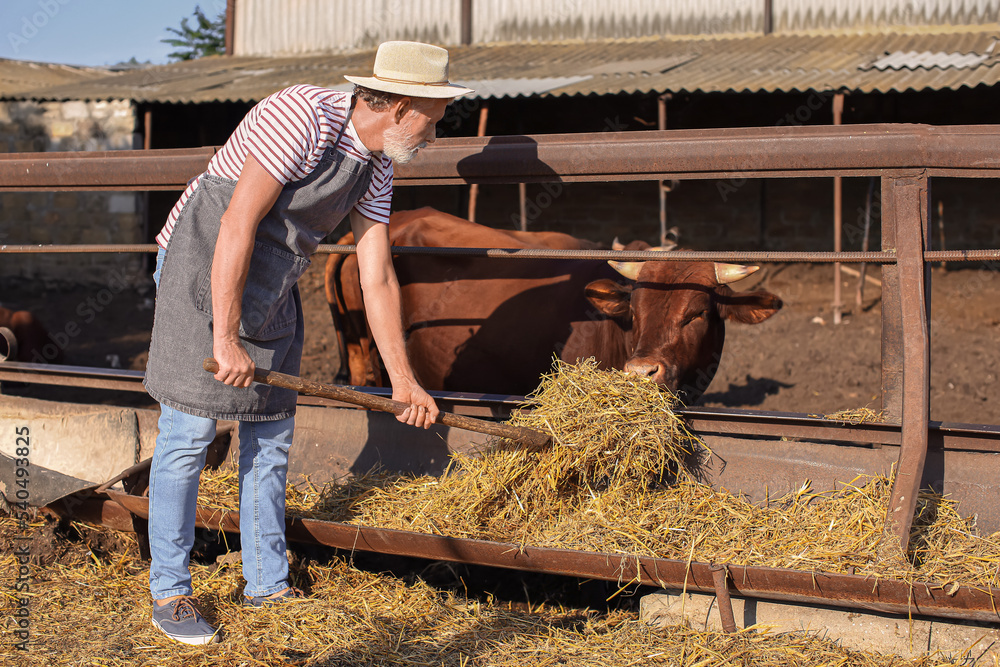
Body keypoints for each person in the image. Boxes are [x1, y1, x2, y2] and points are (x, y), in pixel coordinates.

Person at [142, 41, 472, 645]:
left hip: (274, 280)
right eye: (436, 114)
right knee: (190, 433)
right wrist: (225, 335)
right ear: (400, 105)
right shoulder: (302, 116)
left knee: (269, 436)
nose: (437, 130)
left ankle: (266, 584)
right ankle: (171, 589)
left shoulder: (378, 164)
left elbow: (375, 274)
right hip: (203, 265)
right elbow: (237, 224)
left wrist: (402, 379)